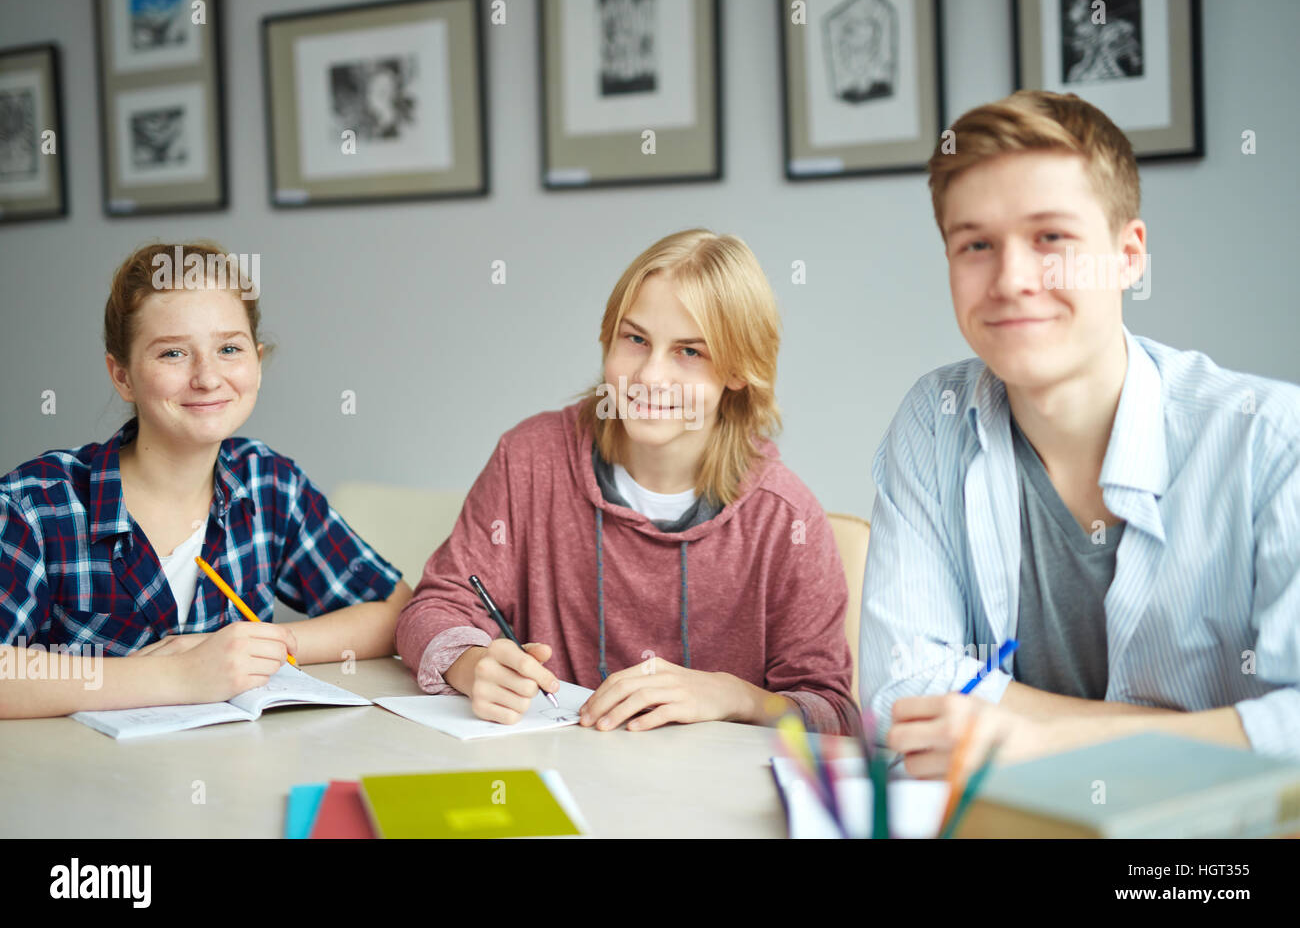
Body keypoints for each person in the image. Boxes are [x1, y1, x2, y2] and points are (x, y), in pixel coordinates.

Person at [859, 91, 1300, 776]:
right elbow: (899, 691)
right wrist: (1195, 732)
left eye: (1051, 238)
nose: (1011, 280)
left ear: (1129, 255)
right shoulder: (933, 420)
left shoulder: (1273, 442)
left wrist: (1041, 739)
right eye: (976, 244)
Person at [396, 229, 857, 734]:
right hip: (554, 771)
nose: (651, 377)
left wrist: (735, 695)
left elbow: (833, 714)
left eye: (689, 352)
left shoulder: (785, 517)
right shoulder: (529, 460)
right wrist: (471, 664)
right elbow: (435, 605)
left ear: (739, 371)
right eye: (635, 340)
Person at [0, 242, 411, 718]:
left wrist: (261, 647)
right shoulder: (34, 503)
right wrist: (179, 674)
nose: (208, 377)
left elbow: (392, 608)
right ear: (123, 375)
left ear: (256, 361)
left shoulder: (268, 483)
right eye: (173, 353)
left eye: (229, 349)